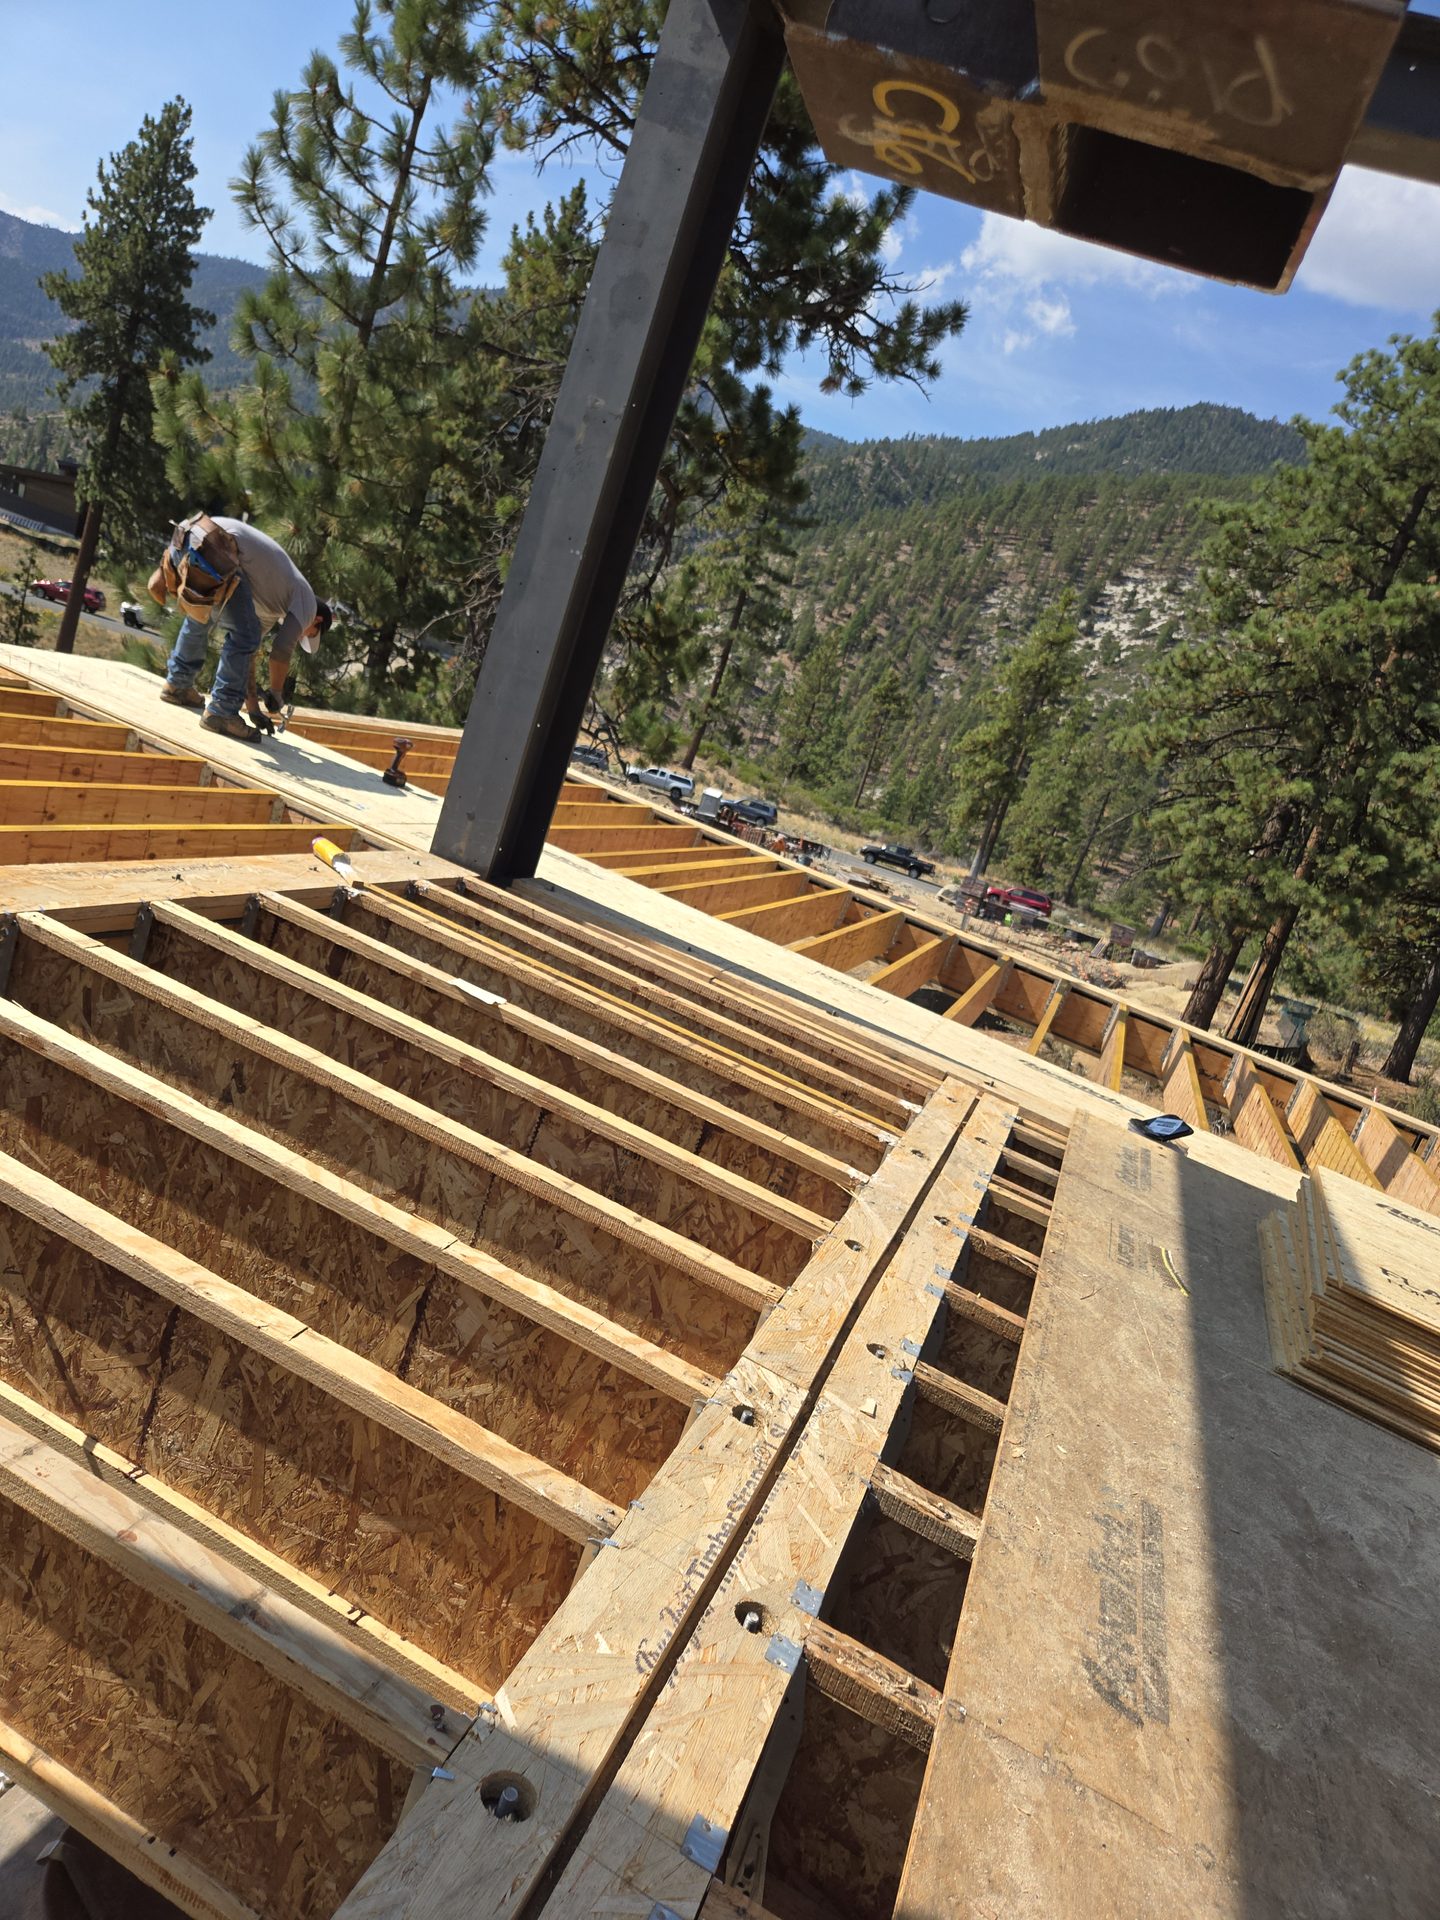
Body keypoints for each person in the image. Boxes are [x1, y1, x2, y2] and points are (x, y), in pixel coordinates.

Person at [152, 515, 332, 739]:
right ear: (317, 621)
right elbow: (282, 649)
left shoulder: (271, 605)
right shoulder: (308, 604)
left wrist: (254, 709)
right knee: (242, 634)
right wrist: (276, 693)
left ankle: (178, 685)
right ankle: (221, 713)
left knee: (201, 615)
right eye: (310, 634)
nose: (302, 634)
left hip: (189, 536)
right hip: (216, 548)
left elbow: (249, 655)